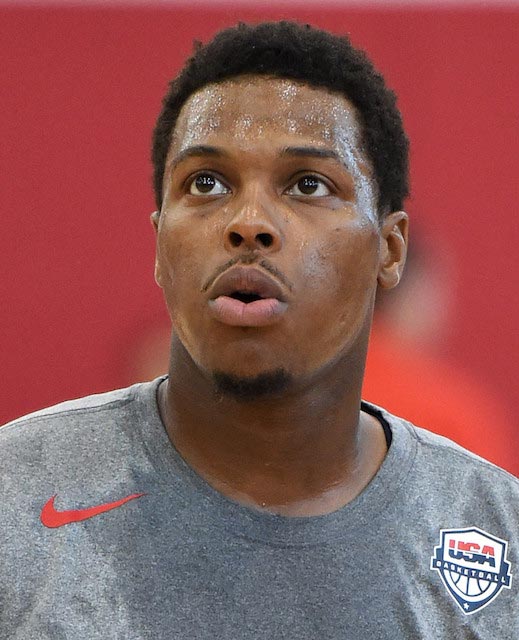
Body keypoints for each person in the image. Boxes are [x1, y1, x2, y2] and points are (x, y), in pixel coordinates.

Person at [1, 21, 517, 639]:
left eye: (308, 184)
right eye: (207, 183)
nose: (249, 224)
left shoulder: (494, 535)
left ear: (390, 250)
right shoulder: (16, 500)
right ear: (160, 243)